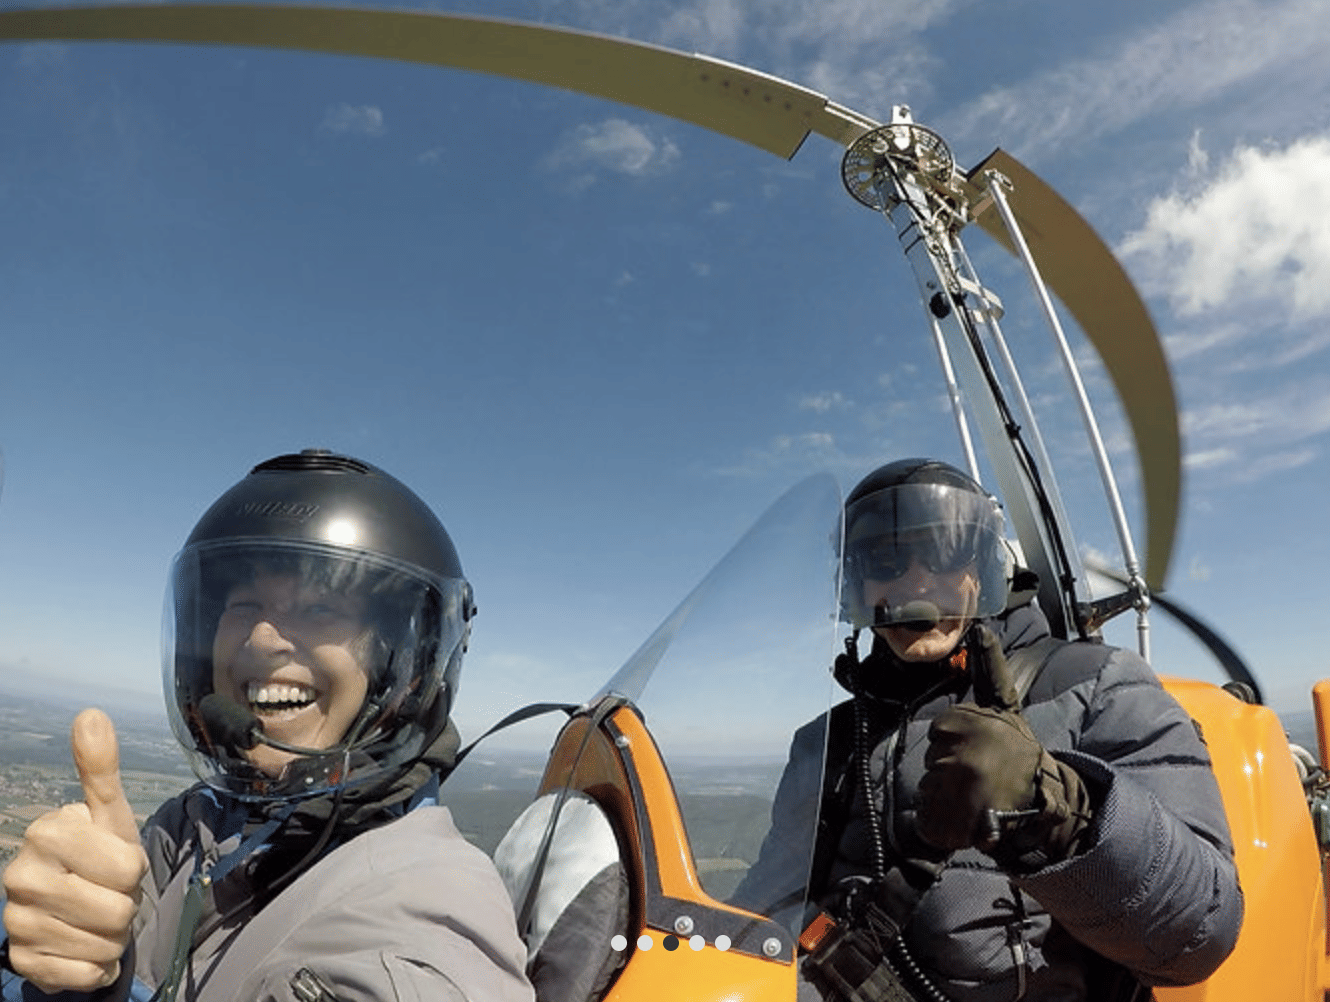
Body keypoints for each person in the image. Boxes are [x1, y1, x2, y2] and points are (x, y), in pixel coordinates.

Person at [1, 449, 534, 1002]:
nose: (260, 640)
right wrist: (62, 945)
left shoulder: (425, 922)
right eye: (243, 605)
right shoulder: (202, 820)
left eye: (320, 609)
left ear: (396, 673)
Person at [734, 458, 1242, 1002]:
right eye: (886, 558)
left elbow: (1200, 934)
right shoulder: (827, 739)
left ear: (981, 571)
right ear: (856, 583)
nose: (916, 583)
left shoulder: (1100, 686)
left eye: (944, 554)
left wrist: (1055, 812)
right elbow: (759, 916)